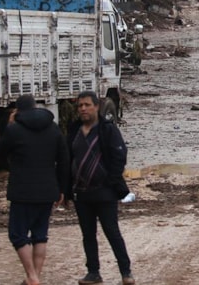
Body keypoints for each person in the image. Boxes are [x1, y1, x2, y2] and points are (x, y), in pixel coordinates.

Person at [0, 94, 69, 285]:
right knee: (40, 235)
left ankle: (32, 277)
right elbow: (64, 160)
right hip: (48, 191)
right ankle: (35, 276)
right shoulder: (53, 128)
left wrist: (9, 125)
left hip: (22, 192)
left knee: (17, 235)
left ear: (17, 110)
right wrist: (62, 188)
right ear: (35, 107)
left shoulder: (15, 129)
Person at [67, 91, 135, 285]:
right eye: (80, 106)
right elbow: (67, 158)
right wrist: (66, 188)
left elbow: (119, 156)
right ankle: (93, 272)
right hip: (82, 193)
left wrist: (111, 180)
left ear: (96, 107)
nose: (83, 109)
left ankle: (126, 272)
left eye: (87, 105)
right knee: (88, 235)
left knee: (112, 232)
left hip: (105, 192)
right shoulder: (74, 130)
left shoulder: (107, 130)